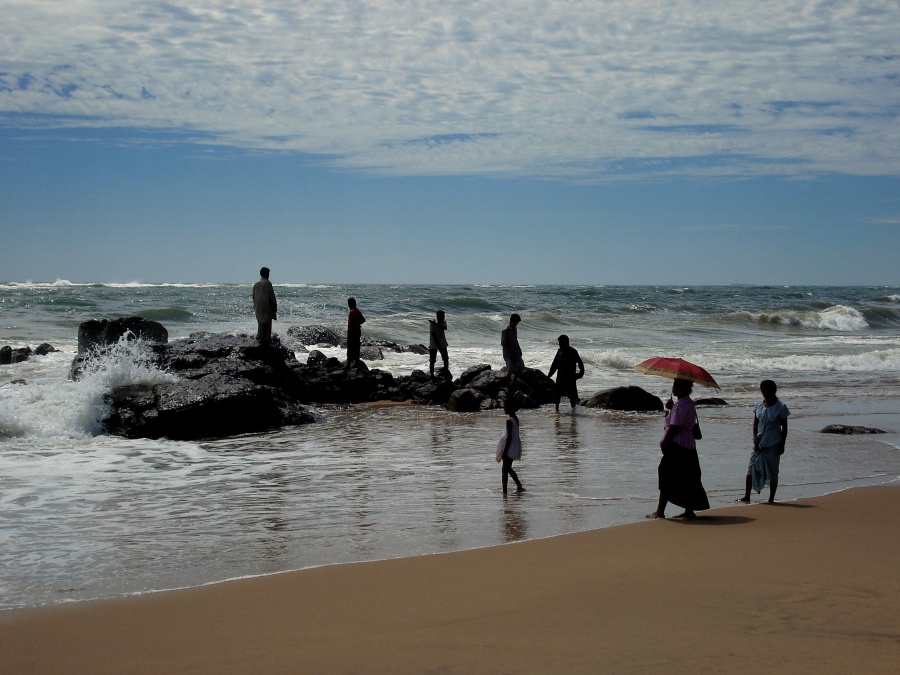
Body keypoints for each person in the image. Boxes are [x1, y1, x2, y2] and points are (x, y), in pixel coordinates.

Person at [647, 378, 710, 520]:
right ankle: (689, 510)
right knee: (689, 478)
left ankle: (660, 511)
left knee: (666, 476)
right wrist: (671, 410)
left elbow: (674, 427)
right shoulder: (687, 403)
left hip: (677, 446)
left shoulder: (681, 405)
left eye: (675, 385)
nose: (673, 388)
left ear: (682, 388)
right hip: (689, 446)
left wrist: (664, 442)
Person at [739, 379, 790, 504]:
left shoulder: (780, 407)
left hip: (773, 444)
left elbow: (784, 427)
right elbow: (755, 424)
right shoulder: (759, 406)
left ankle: (771, 498)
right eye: (763, 391)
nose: (765, 394)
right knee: (751, 468)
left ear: (774, 391)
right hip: (759, 444)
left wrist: (782, 444)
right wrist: (755, 440)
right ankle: (747, 496)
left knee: (773, 471)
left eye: (768, 391)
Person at [547, 334, 585, 413]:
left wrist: (580, 374)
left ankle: (573, 412)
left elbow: (580, 363)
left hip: (570, 378)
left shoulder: (573, 351)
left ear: (566, 342)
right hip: (560, 377)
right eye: (559, 343)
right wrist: (549, 376)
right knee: (557, 395)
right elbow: (554, 365)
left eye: (560, 342)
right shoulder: (559, 351)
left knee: (572, 396)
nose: (559, 344)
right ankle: (557, 410)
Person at [495, 399, 526, 494]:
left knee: (505, 469)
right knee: (507, 468)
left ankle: (505, 492)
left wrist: (505, 451)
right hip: (515, 446)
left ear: (511, 409)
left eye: (506, 407)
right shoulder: (515, 419)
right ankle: (519, 486)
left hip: (510, 447)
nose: (504, 409)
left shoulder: (509, 421)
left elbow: (509, 437)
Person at [252, 267, 277, 345]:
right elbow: (272, 298)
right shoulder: (268, 283)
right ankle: (265, 346)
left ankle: (259, 342)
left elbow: (253, 297)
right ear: (266, 274)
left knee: (260, 326)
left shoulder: (256, 284)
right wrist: (274, 308)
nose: (269, 275)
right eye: (268, 273)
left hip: (258, 308)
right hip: (267, 308)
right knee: (267, 329)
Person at [501, 313, 524, 381]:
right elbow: (503, 344)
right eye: (516, 322)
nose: (516, 324)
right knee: (510, 370)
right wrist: (508, 353)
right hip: (508, 353)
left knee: (521, 367)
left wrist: (519, 349)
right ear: (511, 320)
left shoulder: (515, 329)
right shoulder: (505, 330)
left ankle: (513, 382)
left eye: (517, 322)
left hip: (515, 351)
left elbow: (515, 340)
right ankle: (508, 386)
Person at [428, 310, 449, 378]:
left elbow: (444, 328)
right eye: (442, 316)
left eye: (444, 316)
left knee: (445, 358)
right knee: (432, 360)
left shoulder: (443, 322)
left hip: (442, 342)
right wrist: (437, 344)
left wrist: (436, 324)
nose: (443, 317)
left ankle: (446, 372)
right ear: (438, 316)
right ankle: (431, 375)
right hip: (433, 343)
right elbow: (433, 334)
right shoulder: (432, 324)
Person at [346, 297, 366, 366]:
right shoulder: (358, 311)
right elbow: (363, 320)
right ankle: (356, 362)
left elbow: (351, 325)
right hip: (357, 333)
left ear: (350, 304)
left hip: (352, 333)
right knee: (356, 348)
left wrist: (349, 333)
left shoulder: (352, 312)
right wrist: (358, 324)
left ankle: (349, 363)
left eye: (349, 304)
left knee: (350, 348)